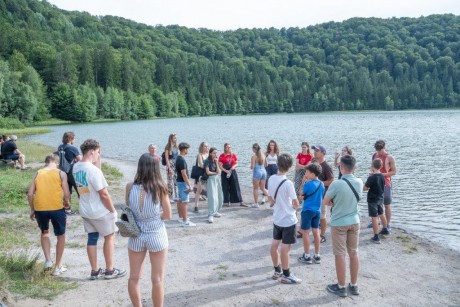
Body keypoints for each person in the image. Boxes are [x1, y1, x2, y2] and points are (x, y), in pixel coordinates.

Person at [72, 139, 126, 280]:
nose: (98, 154)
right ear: (91, 151)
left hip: (85, 209)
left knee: (92, 238)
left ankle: (94, 271)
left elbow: (92, 177)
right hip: (99, 210)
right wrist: (112, 210)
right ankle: (109, 270)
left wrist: (98, 159)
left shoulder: (76, 167)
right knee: (109, 237)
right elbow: (103, 194)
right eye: (97, 152)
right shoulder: (94, 171)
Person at [126, 153, 172, 307]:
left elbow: (129, 209)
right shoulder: (160, 188)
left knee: (134, 278)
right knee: (157, 279)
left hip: (136, 234)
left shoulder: (130, 187)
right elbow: (168, 215)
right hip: (156, 233)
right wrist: (156, 214)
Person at [323, 155, 363, 297]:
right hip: (355, 221)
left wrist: (334, 202)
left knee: (340, 254)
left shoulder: (336, 184)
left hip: (339, 223)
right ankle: (354, 285)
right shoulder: (359, 182)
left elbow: (326, 201)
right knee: (354, 252)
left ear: (341, 167)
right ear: (354, 168)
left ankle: (341, 286)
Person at [27, 154, 70, 276]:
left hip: (40, 209)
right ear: (57, 163)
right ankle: (58, 267)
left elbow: (30, 194)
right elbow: (66, 193)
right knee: (61, 235)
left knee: (45, 232)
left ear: (45, 163)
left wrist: (32, 209)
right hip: (56, 208)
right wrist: (66, 202)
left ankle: (48, 261)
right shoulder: (61, 173)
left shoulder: (38, 173)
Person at [267, 153, 301, 284]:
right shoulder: (288, 183)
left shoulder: (271, 179)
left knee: (275, 244)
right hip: (288, 219)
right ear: (290, 167)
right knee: (285, 248)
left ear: (277, 164)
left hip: (277, 218)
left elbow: (270, 198)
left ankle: (277, 270)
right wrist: (295, 206)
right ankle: (287, 274)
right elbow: (295, 202)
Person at [298, 163, 325, 265]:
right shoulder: (321, 184)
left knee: (305, 232)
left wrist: (303, 182)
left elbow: (301, 194)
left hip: (307, 210)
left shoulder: (308, 184)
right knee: (316, 232)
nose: (306, 173)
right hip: (317, 211)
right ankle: (317, 255)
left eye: (307, 172)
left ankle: (307, 255)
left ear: (312, 174)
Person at [371, 140, 397, 231]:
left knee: (387, 204)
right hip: (376, 183)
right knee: (376, 203)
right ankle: (376, 221)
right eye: (377, 150)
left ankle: (387, 224)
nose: (379, 152)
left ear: (384, 147)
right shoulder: (375, 155)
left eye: (380, 150)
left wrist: (382, 174)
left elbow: (394, 172)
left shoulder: (390, 157)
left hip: (386, 183)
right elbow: (372, 168)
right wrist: (372, 174)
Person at [312, 144, 334, 243]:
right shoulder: (314, 164)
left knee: (322, 216)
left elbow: (331, 180)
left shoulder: (326, 166)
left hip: (322, 195)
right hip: (313, 194)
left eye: (317, 150)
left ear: (323, 153)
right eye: (314, 150)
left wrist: (318, 183)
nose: (315, 152)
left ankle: (322, 235)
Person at [364, 158, 389, 244]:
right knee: (381, 213)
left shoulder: (371, 178)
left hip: (372, 199)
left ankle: (376, 236)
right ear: (381, 166)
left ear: (372, 166)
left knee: (374, 217)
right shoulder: (382, 176)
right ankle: (385, 229)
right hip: (380, 198)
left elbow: (365, 188)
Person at [59, 131, 82, 215]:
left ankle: (67, 209)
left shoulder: (60, 147)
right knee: (80, 190)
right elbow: (81, 160)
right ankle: (82, 209)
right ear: (71, 139)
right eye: (74, 138)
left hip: (63, 172)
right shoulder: (73, 148)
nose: (75, 140)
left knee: (67, 191)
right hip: (72, 172)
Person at [218, 143, 246, 207]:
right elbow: (220, 166)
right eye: (227, 147)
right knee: (225, 187)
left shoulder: (233, 155)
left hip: (232, 171)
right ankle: (226, 201)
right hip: (225, 172)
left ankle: (240, 201)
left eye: (230, 147)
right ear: (225, 148)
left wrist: (233, 167)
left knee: (235, 186)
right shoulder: (222, 156)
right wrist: (225, 171)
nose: (229, 148)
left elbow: (237, 163)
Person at [175, 142, 195, 227]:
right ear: (184, 149)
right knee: (185, 202)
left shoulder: (178, 158)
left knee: (180, 200)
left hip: (179, 181)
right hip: (183, 183)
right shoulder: (182, 160)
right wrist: (189, 185)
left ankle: (180, 217)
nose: (188, 151)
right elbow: (184, 174)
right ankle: (185, 220)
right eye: (188, 149)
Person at [205, 147, 224, 223]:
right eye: (214, 153)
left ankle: (215, 211)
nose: (215, 154)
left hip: (216, 179)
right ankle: (210, 214)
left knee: (218, 196)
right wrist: (215, 173)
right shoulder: (207, 161)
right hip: (210, 179)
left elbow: (219, 171)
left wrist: (216, 162)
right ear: (210, 153)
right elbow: (208, 172)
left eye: (216, 153)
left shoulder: (215, 161)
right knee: (212, 197)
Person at [250, 143, 268, 208]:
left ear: (254, 149)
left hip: (257, 172)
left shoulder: (254, 157)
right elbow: (266, 165)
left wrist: (251, 166)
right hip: (264, 171)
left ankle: (256, 203)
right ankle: (273, 198)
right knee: (263, 188)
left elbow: (253, 167)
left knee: (255, 188)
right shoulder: (263, 155)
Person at [193, 142, 209, 213]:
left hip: (208, 174)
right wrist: (209, 166)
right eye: (205, 146)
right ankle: (196, 206)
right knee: (198, 190)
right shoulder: (199, 155)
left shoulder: (208, 154)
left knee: (209, 190)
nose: (206, 147)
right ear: (201, 147)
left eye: (207, 146)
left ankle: (210, 205)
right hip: (201, 175)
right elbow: (201, 165)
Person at [164, 134, 179, 203]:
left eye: (176, 138)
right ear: (171, 139)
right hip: (170, 164)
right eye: (174, 138)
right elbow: (167, 158)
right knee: (170, 182)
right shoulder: (167, 147)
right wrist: (169, 168)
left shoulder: (176, 146)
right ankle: (170, 197)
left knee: (176, 181)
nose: (175, 139)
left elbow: (177, 157)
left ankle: (176, 196)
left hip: (176, 164)